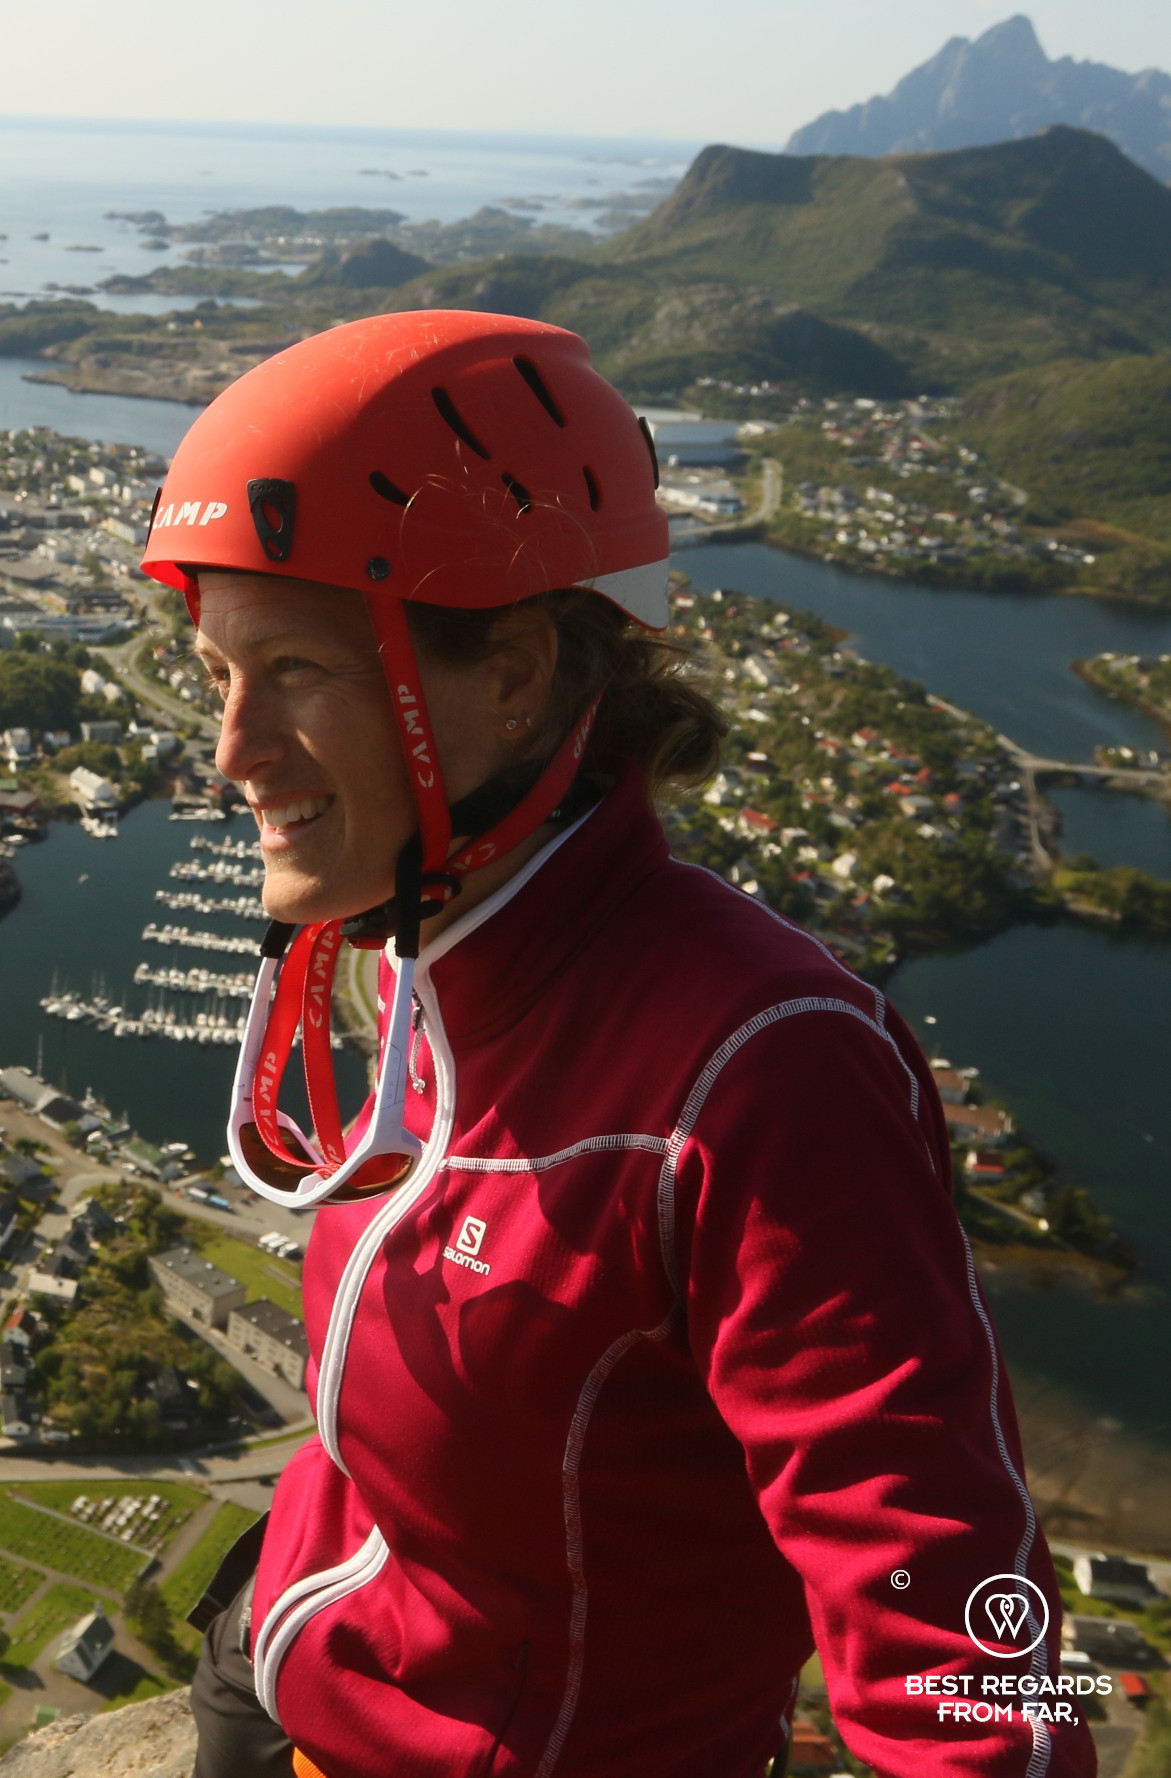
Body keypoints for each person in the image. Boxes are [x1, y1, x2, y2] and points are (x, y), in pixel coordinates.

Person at [142, 313, 1090, 1777]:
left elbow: (972, 1664)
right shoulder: (438, 956)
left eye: (297, 673)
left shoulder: (763, 1072)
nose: (231, 749)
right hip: (295, 1677)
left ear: (515, 674)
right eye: (219, 675)